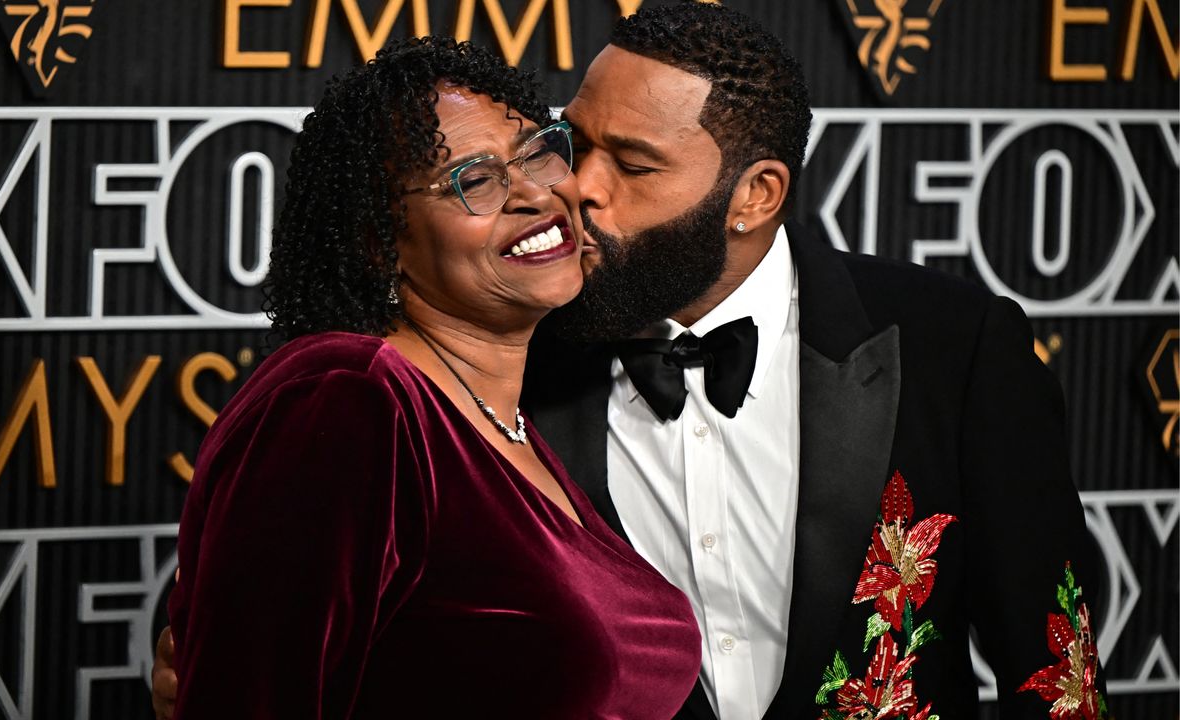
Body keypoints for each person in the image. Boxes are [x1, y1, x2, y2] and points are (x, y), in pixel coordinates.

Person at [157, 5, 1107, 720]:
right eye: (577, 142)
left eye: (635, 164)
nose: (577, 189)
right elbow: (235, 649)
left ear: (755, 195)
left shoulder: (953, 342)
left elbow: (1052, 667)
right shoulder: (480, 359)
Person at [164, 35, 701, 720]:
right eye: (475, 180)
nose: (535, 194)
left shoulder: (504, 422)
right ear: (380, 242)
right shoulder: (348, 397)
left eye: (538, 151)